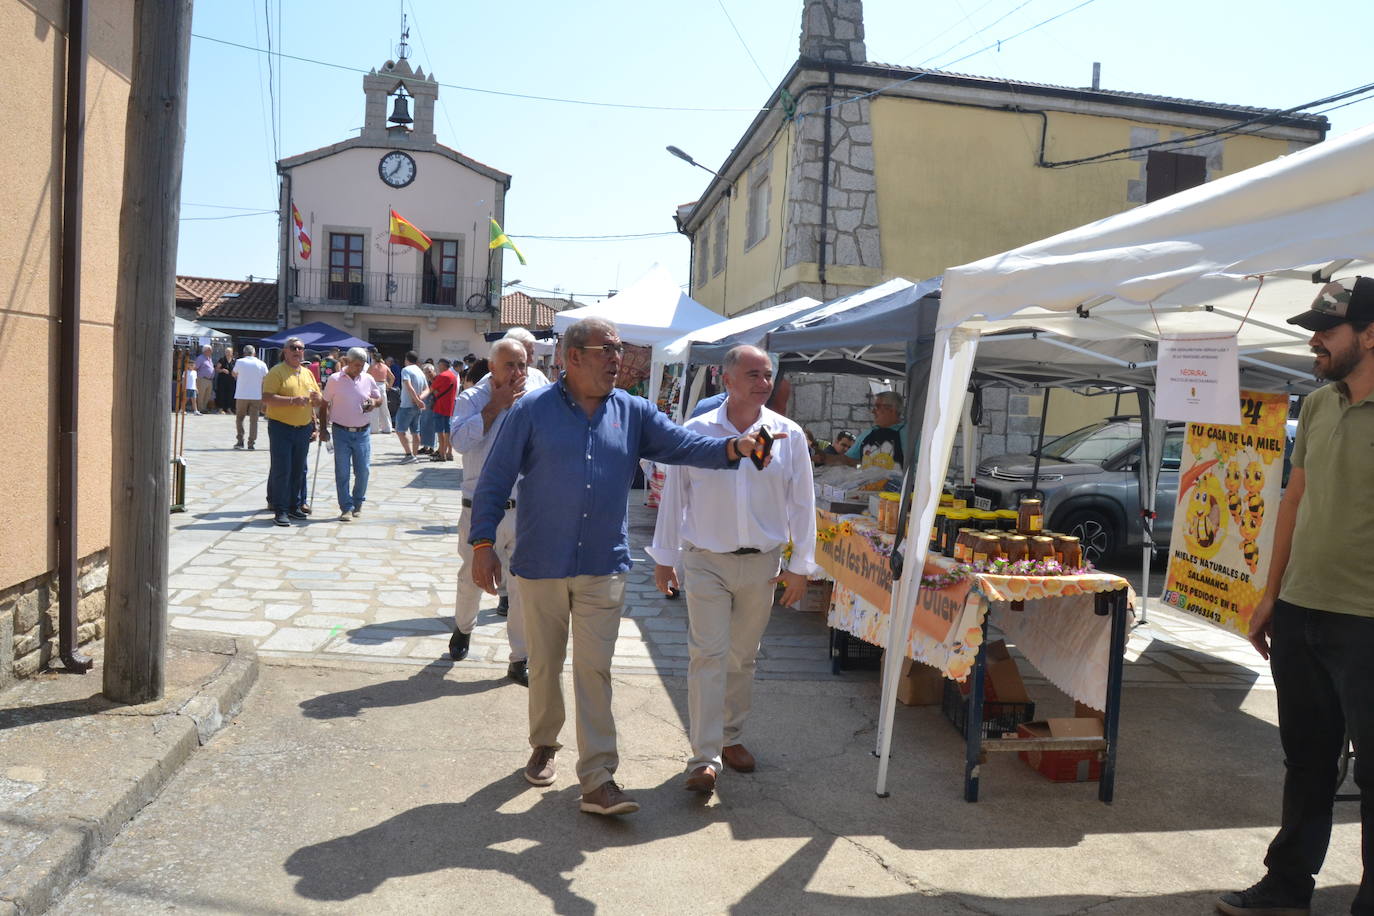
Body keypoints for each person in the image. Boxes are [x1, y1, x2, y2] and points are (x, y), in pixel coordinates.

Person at [469, 317, 769, 818]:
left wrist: (733, 448)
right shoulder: (531, 411)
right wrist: (482, 543)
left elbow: (682, 445)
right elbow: (496, 478)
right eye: (605, 349)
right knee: (544, 665)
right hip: (540, 562)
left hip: (602, 566)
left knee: (595, 671)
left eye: (618, 349)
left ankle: (598, 777)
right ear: (571, 358)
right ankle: (544, 743)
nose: (616, 358)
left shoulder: (632, 412)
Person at [1217, 277, 1374, 916]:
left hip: (1367, 620)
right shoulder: (1317, 405)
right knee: (1307, 761)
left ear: (1370, 334)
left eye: (1327, 330)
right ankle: (1287, 887)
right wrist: (1269, 595)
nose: (1314, 341)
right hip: (1303, 608)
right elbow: (1293, 500)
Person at [649, 345, 817, 794]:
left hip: (762, 565)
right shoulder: (697, 432)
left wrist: (801, 566)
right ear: (726, 379)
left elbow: (803, 503)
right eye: (753, 374)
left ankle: (731, 736)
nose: (763, 382)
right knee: (707, 654)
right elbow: (675, 497)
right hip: (705, 560)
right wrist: (665, 558)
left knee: (743, 656)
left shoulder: (789, 436)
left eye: (767, 375)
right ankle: (704, 758)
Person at [449, 339, 531, 684]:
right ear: (492, 366)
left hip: (524, 510)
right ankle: (464, 628)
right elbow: (458, 442)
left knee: (524, 588)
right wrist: (494, 407)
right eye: (510, 365)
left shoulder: (533, 400)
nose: (517, 373)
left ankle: (519, 658)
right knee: (472, 578)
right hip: (480, 510)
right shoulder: (471, 399)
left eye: (522, 365)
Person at [261, 337, 322, 527]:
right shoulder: (276, 372)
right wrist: (291, 401)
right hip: (281, 427)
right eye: (293, 348)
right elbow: (266, 398)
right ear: (285, 351)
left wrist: (317, 398)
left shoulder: (307, 373)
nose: (298, 351)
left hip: (303, 427)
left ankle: (294, 506)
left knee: (298, 469)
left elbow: (318, 400)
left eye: (301, 348)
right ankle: (280, 510)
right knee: (282, 469)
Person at [319, 347, 382, 522]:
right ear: (347, 362)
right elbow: (324, 405)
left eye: (362, 366)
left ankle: (358, 502)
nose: (359, 369)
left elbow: (380, 399)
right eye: (356, 365)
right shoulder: (334, 379)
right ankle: (346, 507)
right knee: (342, 471)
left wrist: (373, 402)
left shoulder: (368, 378)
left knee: (363, 471)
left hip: (362, 432)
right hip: (340, 432)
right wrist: (323, 429)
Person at [818, 391, 910, 470]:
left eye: (877, 407)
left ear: (892, 410)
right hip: (867, 489)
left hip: (896, 490)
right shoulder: (868, 434)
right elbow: (848, 460)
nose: (873, 411)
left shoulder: (909, 435)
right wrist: (821, 457)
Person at [393, 351, 427, 464]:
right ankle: (415, 455)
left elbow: (408, 386)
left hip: (407, 405)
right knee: (415, 431)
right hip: (417, 406)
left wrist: (417, 399)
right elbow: (428, 389)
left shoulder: (406, 370)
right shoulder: (421, 372)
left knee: (400, 430)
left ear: (406, 359)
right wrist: (420, 399)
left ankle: (409, 455)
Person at [232, 344, 269, 449]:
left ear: (244, 353)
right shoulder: (261, 363)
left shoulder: (240, 362)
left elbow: (234, 373)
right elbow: (266, 378)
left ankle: (240, 440)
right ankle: (251, 443)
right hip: (256, 395)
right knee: (254, 420)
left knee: (240, 418)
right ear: (254, 353)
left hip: (242, 394)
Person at [428, 358, 459, 462]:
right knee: (448, 431)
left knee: (440, 432)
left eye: (439, 364)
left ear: (443, 365)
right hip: (449, 407)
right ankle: (449, 453)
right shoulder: (453, 376)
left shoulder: (442, 376)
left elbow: (433, 390)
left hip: (440, 406)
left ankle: (442, 454)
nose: (438, 366)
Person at [366, 348, 394, 436]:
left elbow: (366, 376)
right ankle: (387, 427)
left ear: (374, 358)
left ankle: (374, 428)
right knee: (384, 407)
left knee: (374, 407)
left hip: (374, 385)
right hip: (382, 386)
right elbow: (392, 377)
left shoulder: (372, 366)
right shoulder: (385, 367)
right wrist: (389, 386)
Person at [417, 362, 438, 455]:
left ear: (433, 371)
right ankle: (425, 446)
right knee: (424, 425)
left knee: (432, 426)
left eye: (429, 371)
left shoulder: (437, 380)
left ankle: (432, 447)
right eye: (426, 372)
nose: (428, 374)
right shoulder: (425, 381)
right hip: (426, 405)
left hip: (434, 405)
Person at [194, 345, 216, 414]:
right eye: (209, 350)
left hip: (210, 380)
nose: (211, 351)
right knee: (201, 394)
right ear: (205, 351)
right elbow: (195, 368)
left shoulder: (209, 358)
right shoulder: (200, 358)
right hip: (202, 379)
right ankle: (200, 408)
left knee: (207, 395)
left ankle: (204, 407)